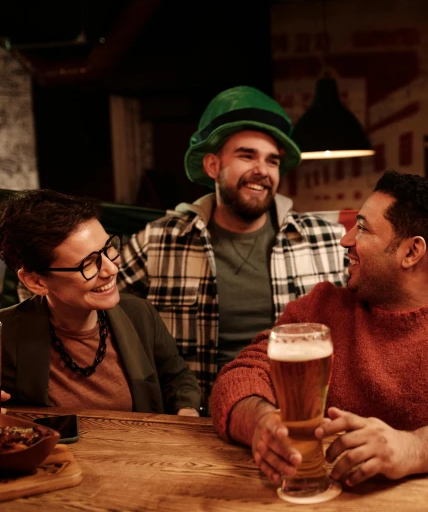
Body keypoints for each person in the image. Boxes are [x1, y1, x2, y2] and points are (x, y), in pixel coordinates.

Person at [210, 171, 428, 487]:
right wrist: (259, 421)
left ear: (412, 252)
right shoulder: (321, 309)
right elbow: (240, 376)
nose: (345, 240)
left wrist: (415, 448)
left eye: (362, 227)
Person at [117, 86, 347, 411]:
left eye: (272, 160)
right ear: (212, 166)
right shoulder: (158, 241)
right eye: (246, 155)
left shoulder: (325, 240)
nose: (262, 171)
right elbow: (91, 306)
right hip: (193, 424)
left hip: (298, 415)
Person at [0, 190, 201, 415]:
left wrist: (186, 408)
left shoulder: (139, 314)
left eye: (109, 249)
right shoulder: (5, 335)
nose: (111, 269)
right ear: (36, 281)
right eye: (88, 264)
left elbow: (177, 377)